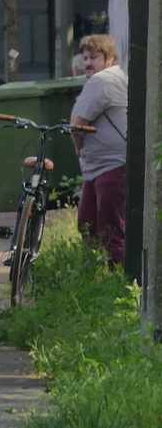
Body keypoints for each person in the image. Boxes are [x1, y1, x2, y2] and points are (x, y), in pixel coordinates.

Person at [70, 35, 128, 268]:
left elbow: (76, 125)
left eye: (94, 57)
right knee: (91, 224)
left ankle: (117, 285)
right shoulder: (119, 77)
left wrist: (78, 149)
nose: (87, 63)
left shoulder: (101, 80)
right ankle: (99, 277)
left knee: (107, 229)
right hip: (103, 167)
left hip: (110, 166)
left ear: (110, 58)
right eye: (84, 58)